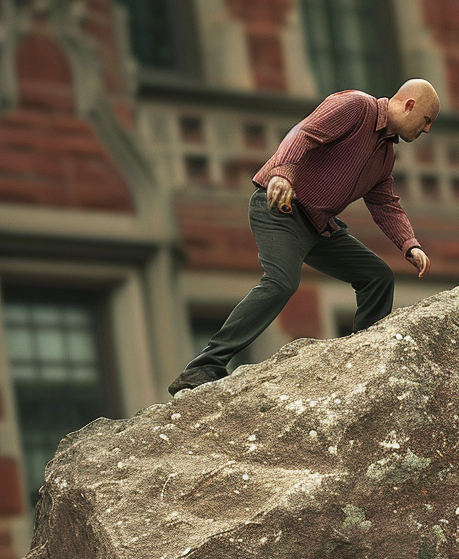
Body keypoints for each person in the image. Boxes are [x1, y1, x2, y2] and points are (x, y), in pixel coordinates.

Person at [167, 78, 440, 397]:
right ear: (409, 105)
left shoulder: (385, 156)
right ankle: (204, 365)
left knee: (377, 276)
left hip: (319, 226)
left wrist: (410, 244)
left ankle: (366, 358)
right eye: (426, 121)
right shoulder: (357, 106)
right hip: (280, 209)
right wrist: (282, 173)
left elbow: (384, 203)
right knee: (281, 282)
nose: (426, 131)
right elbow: (304, 132)